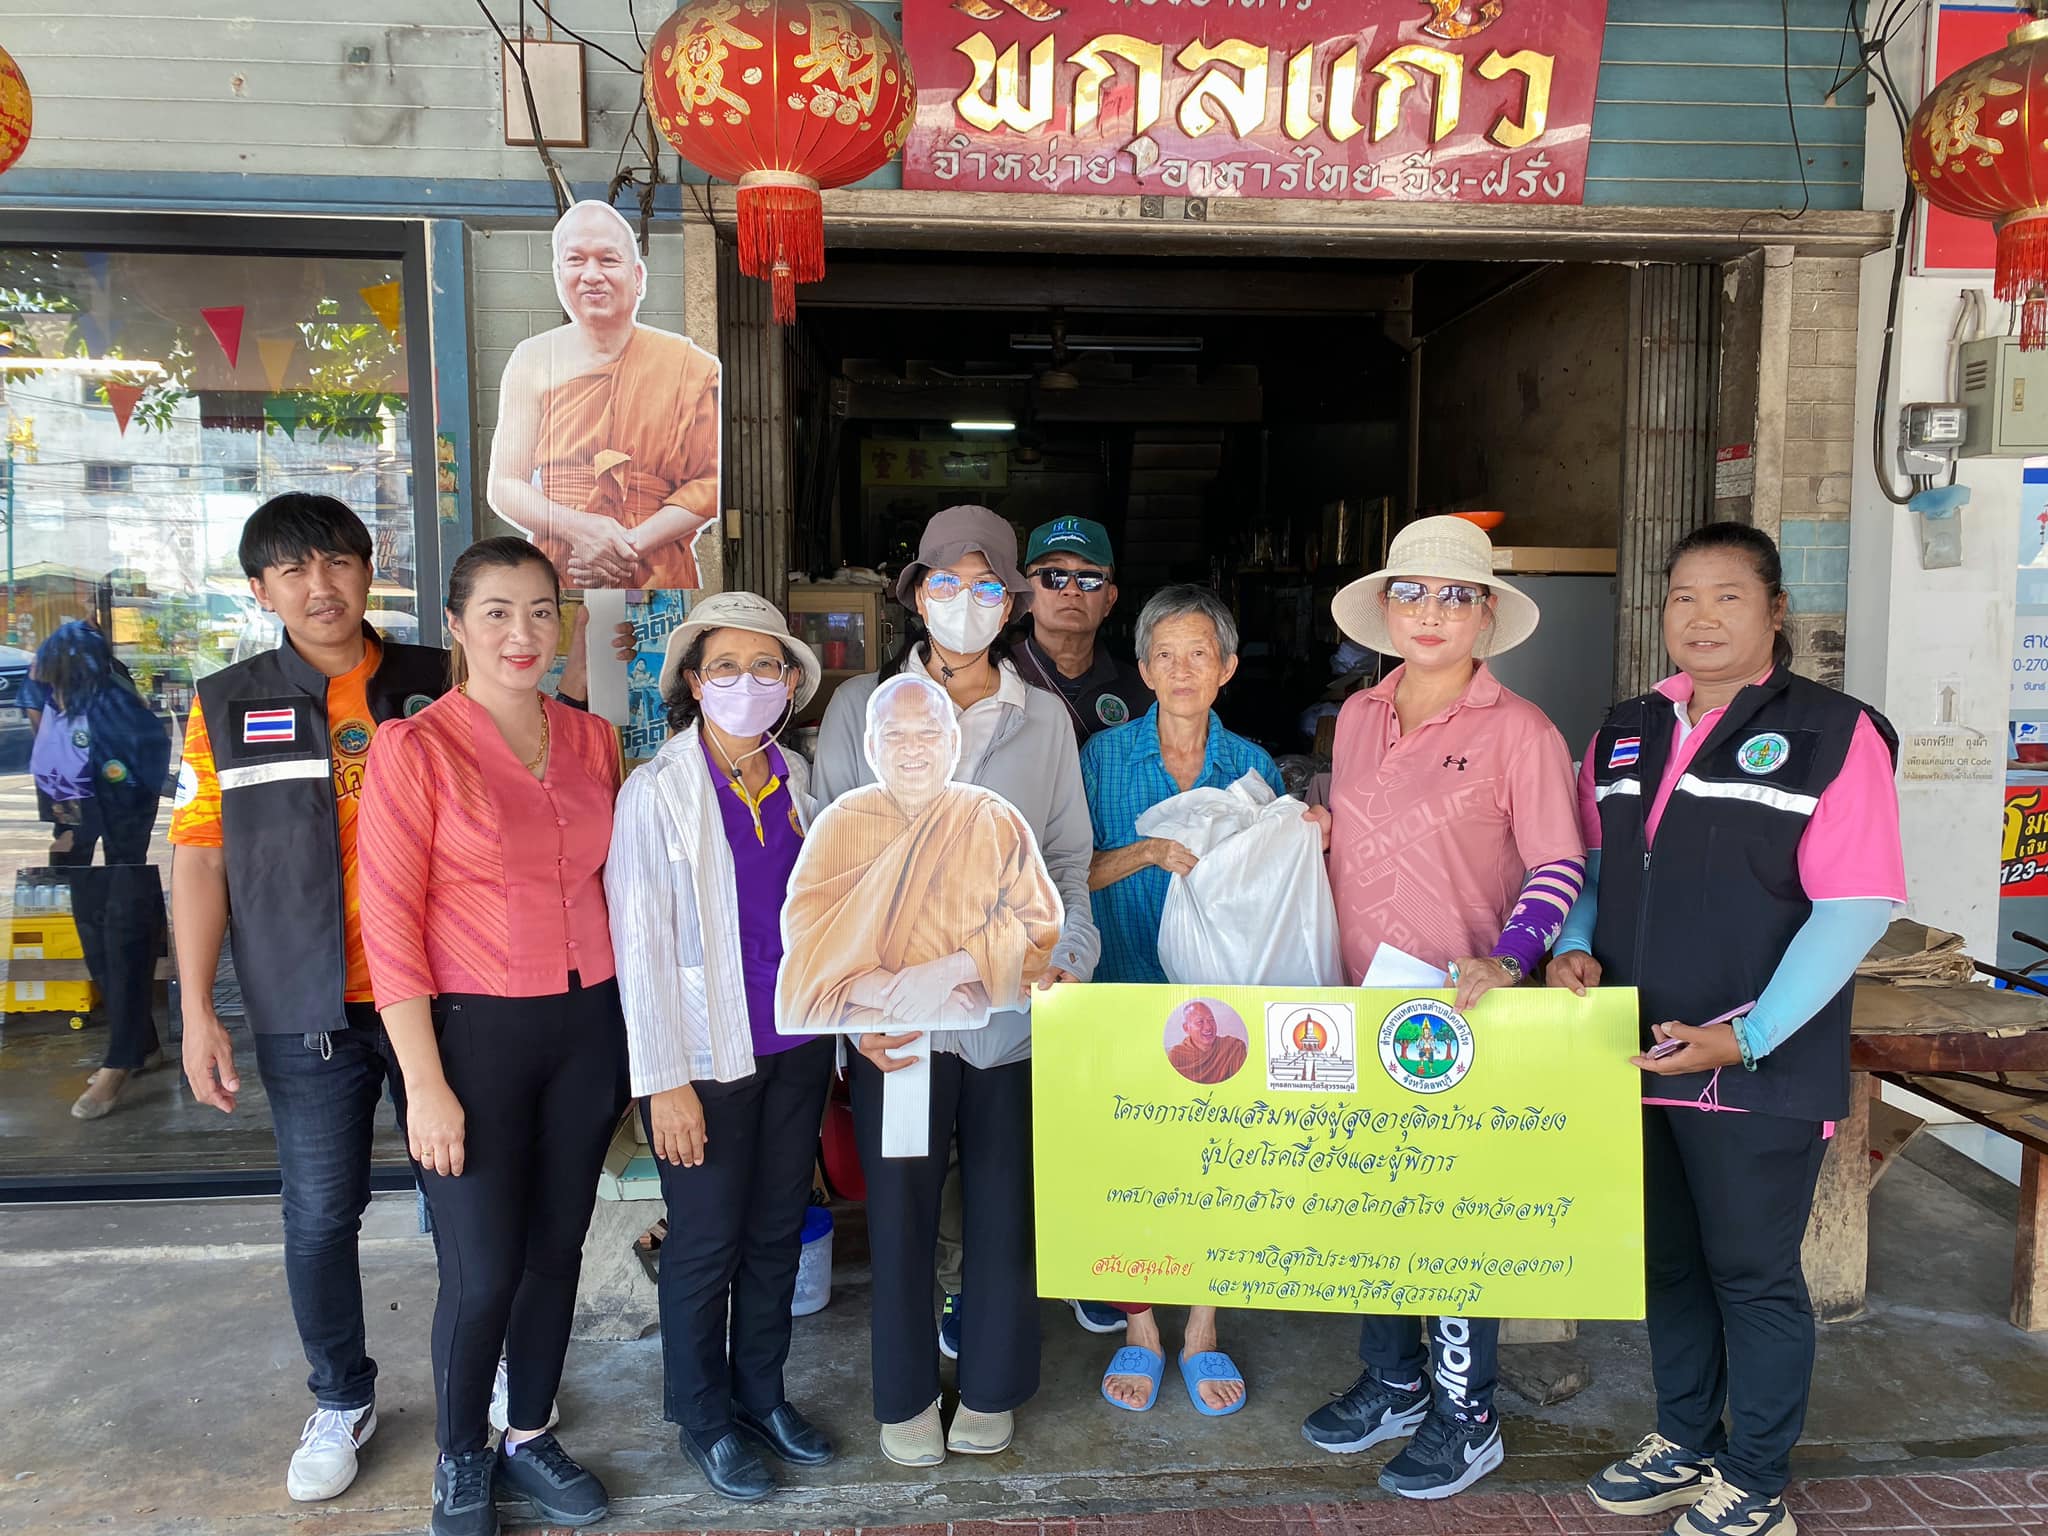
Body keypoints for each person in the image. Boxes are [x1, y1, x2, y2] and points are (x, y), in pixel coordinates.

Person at [172, 495, 595, 1505]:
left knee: (474, 1220)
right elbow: (198, 855)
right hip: (309, 997)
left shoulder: (433, 678)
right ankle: (341, 1395)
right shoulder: (227, 701)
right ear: (260, 590)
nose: (319, 587)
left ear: (372, 573)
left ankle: (492, 1383)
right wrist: (196, 1010)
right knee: (322, 1210)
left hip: (451, 1002)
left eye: (338, 563)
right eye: (291, 571)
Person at [1552, 523, 1903, 1536]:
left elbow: (1854, 904)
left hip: (1751, 1063)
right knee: (1663, 1262)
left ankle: (1752, 1478)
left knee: (1749, 1275)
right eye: (1681, 598)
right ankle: (1681, 1440)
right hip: (1634, 1051)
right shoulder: (1622, 728)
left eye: (1726, 597)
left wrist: (1746, 1038)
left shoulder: (1834, 732)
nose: (1698, 618)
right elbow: (1594, 865)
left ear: (1775, 613)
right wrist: (1570, 945)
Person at [1299, 514, 1584, 1500]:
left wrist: (1508, 959)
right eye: (1410, 593)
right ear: (1383, 610)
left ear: (1485, 614)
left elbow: (1557, 863)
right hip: (1357, 1008)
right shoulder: (1354, 717)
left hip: (1458, 1018)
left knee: (1453, 1213)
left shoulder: (1521, 732)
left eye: (1453, 595)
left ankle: (1467, 1415)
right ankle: (1393, 1379)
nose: (1429, 613)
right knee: (1374, 1204)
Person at [808, 503, 1098, 1469]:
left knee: (1004, 1211)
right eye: (944, 582)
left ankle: (991, 1387)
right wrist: (854, 1013)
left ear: (1010, 603)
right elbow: (833, 867)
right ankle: (902, 1399)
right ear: (915, 595)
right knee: (898, 1214)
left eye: (984, 586)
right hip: (904, 1030)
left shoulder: (1043, 717)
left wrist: (1071, 960)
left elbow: (1065, 856)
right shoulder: (861, 710)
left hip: (1010, 1022)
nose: (963, 603)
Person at [359, 537, 627, 1536]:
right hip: (472, 1035)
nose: (523, 634)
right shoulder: (414, 747)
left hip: (586, 1027)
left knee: (557, 1247)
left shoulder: (593, 741)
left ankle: (529, 1428)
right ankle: (460, 1453)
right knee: (482, 1266)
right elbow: (388, 925)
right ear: (458, 628)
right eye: (498, 613)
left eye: (540, 611)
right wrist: (424, 1084)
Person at [603, 591, 838, 1504]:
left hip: (799, 1043)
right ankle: (703, 1418)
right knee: (706, 1240)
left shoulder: (803, 782)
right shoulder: (656, 791)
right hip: (704, 1056)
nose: (747, 683)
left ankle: (762, 1394)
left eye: (766, 667)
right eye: (726, 667)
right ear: (695, 682)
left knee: (777, 1229)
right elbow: (640, 944)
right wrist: (662, 1083)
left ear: (790, 683)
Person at [1080, 583, 1285, 1416]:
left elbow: (1278, 890)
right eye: (1165, 653)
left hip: (1223, 1008)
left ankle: (1201, 1325)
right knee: (1121, 1170)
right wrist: (1149, 852)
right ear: (1143, 668)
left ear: (1228, 668)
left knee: (1215, 1170)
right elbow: (1065, 874)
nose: (1182, 668)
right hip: (1119, 993)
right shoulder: (1100, 760)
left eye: (1200, 652)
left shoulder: (1251, 768)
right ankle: (1141, 1326)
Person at [488, 199, 720, 590]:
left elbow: (709, 484)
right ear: (558, 274)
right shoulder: (533, 359)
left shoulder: (688, 366)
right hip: (564, 563)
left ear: (638, 277)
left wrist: (626, 545)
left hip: (658, 563)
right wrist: (578, 529)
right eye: (576, 260)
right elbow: (506, 484)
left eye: (608, 260)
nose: (591, 275)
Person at [30, 620, 171, 1120]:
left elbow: (137, 773)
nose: (36, 675)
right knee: (98, 945)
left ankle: (120, 1061)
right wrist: (65, 828)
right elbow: (53, 770)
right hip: (79, 846)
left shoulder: (112, 707)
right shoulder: (60, 703)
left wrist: (92, 824)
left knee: (121, 944)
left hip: (123, 849)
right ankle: (141, 1045)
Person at [1014, 516, 1152, 740]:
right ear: (1026, 594)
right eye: (1053, 576)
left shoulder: (1140, 691)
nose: (1071, 590)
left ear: (1109, 599)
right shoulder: (997, 677)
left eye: (1089, 578)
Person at [1166, 999, 1245, 1084]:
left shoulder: (1232, 1048)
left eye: (1211, 1020)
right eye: (1200, 1022)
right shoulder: (1177, 1056)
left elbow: (1241, 1082)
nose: (1208, 1027)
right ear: (1186, 1028)